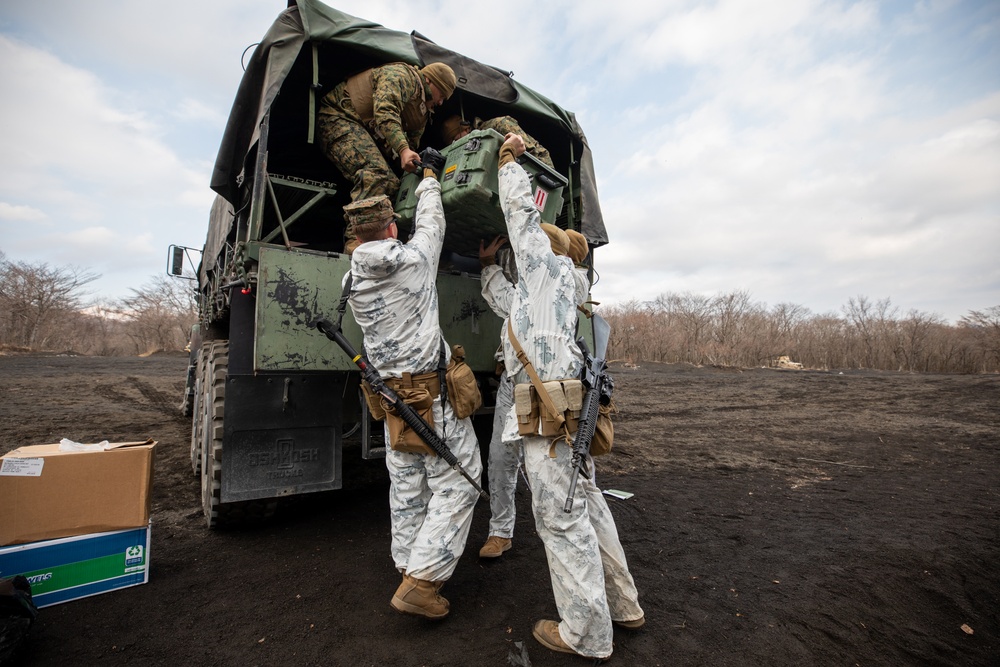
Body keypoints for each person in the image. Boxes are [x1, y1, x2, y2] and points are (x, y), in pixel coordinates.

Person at [495, 134, 644, 660]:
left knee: (561, 519)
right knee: (592, 507)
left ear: (551, 249)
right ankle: (625, 606)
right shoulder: (572, 286)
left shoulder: (541, 267)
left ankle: (586, 634)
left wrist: (510, 162)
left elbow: (520, 218)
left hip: (549, 418)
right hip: (573, 412)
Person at [341, 157, 482, 620]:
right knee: (461, 484)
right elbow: (433, 223)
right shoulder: (415, 262)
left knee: (406, 485)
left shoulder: (351, 280)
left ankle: (406, 565)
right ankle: (421, 583)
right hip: (432, 398)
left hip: (391, 399)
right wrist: (427, 182)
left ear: (357, 237)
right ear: (391, 228)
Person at [476, 228, 590, 560]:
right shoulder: (546, 284)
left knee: (549, 464)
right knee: (500, 458)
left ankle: (561, 531)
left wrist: (487, 265)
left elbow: (502, 297)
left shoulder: (553, 285)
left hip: (547, 390)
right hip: (515, 385)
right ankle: (500, 532)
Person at [319, 61, 457, 252]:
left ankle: (380, 239)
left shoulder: (422, 112)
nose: (441, 102)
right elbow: (385, 111)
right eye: (442, 95)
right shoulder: (401, 75)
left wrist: (410, 163)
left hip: (358, 128)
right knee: (375, 174)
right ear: (429, 80)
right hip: (338, 117)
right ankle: (357, 242)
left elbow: (412, 146)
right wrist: (403, 150)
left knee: (394, 184)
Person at [441, 115, 554, 167]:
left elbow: (526, 149)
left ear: (466, 129)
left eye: (456, 139)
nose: (457, 144)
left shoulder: (499, 125)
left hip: (542, 167)